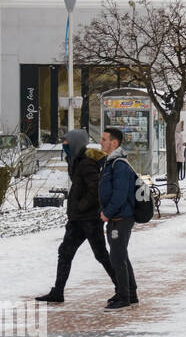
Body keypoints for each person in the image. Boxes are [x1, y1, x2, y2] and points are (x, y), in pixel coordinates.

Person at [35, 129, 115, 303]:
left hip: (89, 219)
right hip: (78, 219)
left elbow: (95, 189)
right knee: (65, 252)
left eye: (67, 142)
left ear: (75, 143)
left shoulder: (86, 163)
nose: (64, 145)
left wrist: (81, 205)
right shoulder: (75, 160)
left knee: (100, 254)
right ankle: (58, 292)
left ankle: (124, 287)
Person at [97, 126, 138, 310]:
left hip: (120, 217)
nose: (101, 142)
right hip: (117, 217)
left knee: (117, 257)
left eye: (104, 139)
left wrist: (108, 212)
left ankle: (124, 296)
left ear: (114, 143)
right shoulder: (110, 162)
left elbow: (119, 194)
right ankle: (130, 293)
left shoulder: (118, 165)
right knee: (121, 255)